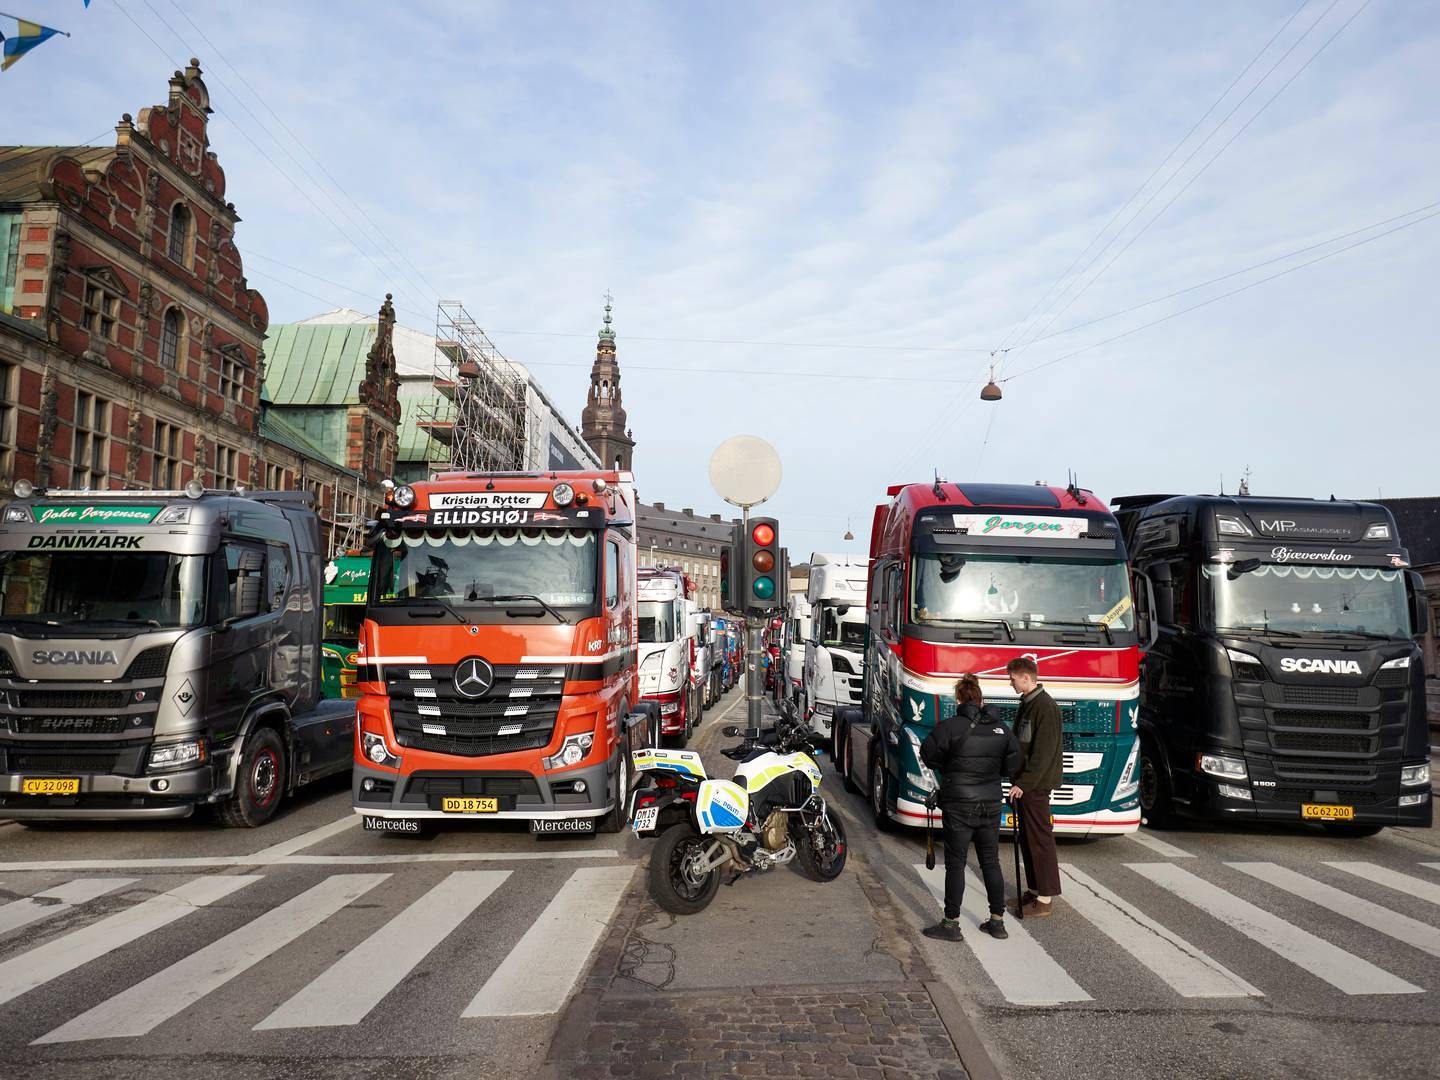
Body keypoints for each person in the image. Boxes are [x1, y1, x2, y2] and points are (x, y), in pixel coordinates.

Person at [918, 673, 1021, 942]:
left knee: (956, 865)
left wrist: (947, 767)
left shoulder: (949, 726)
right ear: (980, 699)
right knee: (991, 862)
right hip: (990, 803)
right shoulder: (1000, 728)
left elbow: (928, 755)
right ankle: (997, 922)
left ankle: (951, 924)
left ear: (959, 699)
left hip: (959, 804)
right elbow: (1014, 763)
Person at [1007, 656, 1063, 918]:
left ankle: (1045, 900)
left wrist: (1023, 784)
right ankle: (1033, 890)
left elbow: (1043, 753)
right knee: (1029, 840)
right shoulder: (1029, 703)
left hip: (1036, 786)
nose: (1011, 683)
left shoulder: (1044, 706)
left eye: (1013, 679)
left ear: (1026, 677)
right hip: (1027, 784)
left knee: (1040, 841)